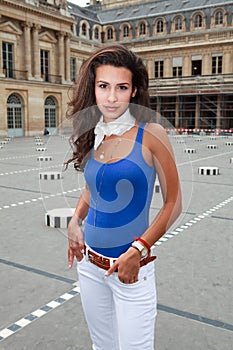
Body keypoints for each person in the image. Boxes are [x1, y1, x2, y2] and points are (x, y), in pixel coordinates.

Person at [66, 44, 182, 350]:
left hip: (131, 269)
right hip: (90, 266)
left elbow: (174, 202)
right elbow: (93, 188)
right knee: (101, 347)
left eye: (121, 87)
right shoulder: (97, 134)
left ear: (133, 91)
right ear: (94, 89)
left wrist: (139, 250)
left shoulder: (152, 134)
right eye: (104, 87)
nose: (112, 97)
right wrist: (75, 221)